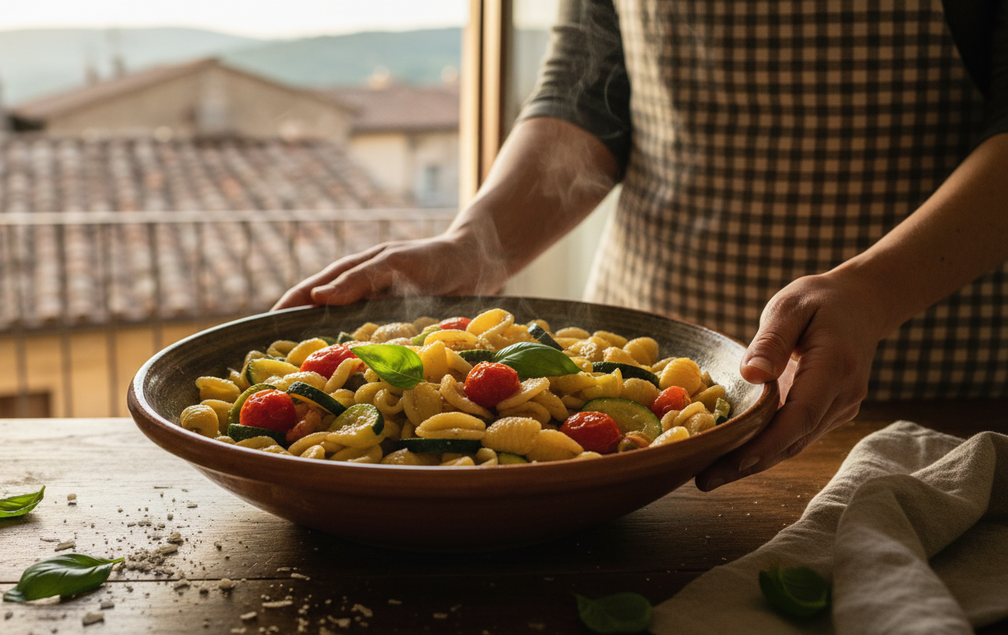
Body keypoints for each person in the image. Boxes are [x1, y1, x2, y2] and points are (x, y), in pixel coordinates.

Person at [275, 0, 1008, 490]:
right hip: (646, 392)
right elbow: (588, 93)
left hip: (926, 373)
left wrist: (877, 292)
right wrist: (475, 244)